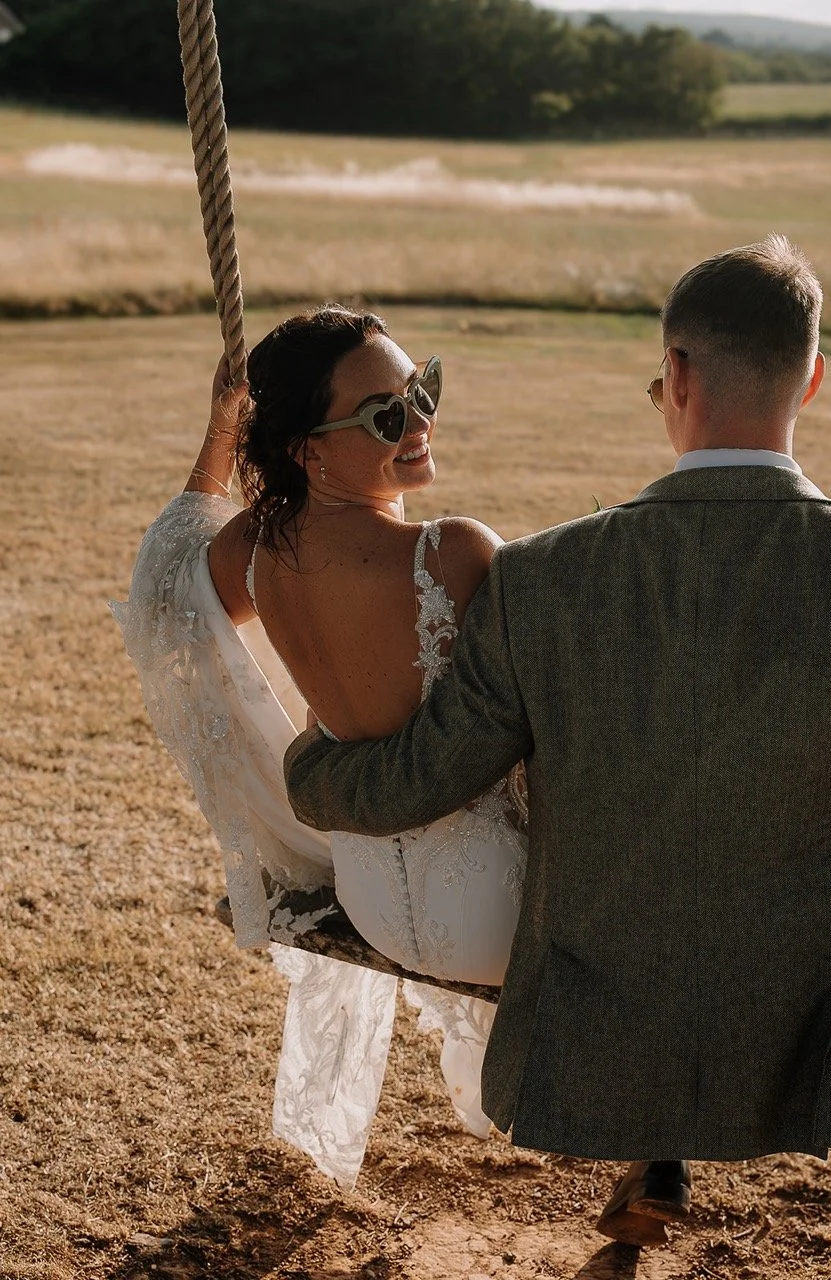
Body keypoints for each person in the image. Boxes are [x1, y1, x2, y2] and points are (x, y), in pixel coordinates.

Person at [283, 235, 831, 1248]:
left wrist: (310, 770)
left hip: (605, 1015)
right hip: (814, 1028)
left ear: (673, 376)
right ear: (809, 376)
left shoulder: (543, 580)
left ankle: (654, 1148)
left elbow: (424, 774)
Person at [112, 304, 526, 1188]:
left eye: (423, 390)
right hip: (500, 913)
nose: (418, 423)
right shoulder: (454, 550)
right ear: (307, 450)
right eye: (385, 415)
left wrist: (220, 432)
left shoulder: (257, 551)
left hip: (376, 900)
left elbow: (162, 579)